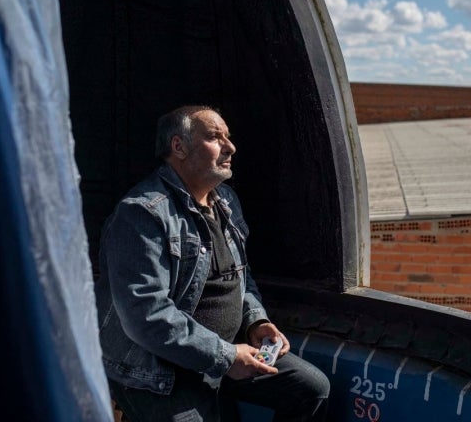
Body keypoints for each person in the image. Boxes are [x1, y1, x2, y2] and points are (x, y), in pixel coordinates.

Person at [94, 105, 330, 421]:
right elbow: (145, 316)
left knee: (312, 388)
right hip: (160, 370)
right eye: (215, 137)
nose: (230, 147)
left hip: (225, 353)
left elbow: (240, 279)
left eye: (228, 138)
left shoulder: (227, 201)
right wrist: (226, 356)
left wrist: (256, 321)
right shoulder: (142, 215)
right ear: (178, 147)